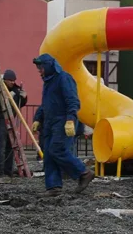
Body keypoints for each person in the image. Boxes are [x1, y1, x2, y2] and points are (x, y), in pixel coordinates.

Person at [31, 53, 94, 196]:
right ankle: (53, 187)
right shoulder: (49, 82)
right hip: (50, 123)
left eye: (41, 68)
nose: (39, 71)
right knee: (48, 154)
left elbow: (72, 100)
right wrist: (38, 118)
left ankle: (83, 172)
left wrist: (70, 119)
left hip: (62, 121)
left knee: (56, 150)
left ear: (48, 66)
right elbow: (45, 104)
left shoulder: (64, 78)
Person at [0, 69, 28, 176]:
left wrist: (24, 97)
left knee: (10, 147)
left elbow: (19, 103)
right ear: (5, 80)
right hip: (0, 120)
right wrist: (7, 97)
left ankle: (8, 170)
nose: (12, 82)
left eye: (13, 80)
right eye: (10, 80)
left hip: (11, 120)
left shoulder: (16, 89)